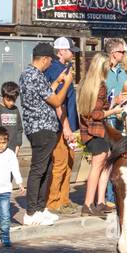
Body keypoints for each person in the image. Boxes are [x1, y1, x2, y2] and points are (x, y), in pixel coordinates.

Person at [19, 44, 73, 227]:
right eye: (50, 60)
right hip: (41, 128)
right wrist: (66, 84)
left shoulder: (30, 74)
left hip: (43, 127)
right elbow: (56, 99)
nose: (51, 64)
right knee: (38, 169)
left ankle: (41, 209)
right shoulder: (35, 75)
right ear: (43, 59)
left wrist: (58, 81)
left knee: (47, 168)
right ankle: (31, 211)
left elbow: (45, 92)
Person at [45, 38, 81, 217]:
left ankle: (64, 199)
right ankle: (53, 201)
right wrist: (65, 126)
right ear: (60, 51)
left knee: (69, 161)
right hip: (60, 124)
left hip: (70, 122)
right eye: (69, 50)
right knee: (59, 163)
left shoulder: (65, 68)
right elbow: (58, 101)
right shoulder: (53, 70)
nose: (72, 53)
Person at [78, 54, 115, 217]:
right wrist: (113, 110)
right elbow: (96, 113)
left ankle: (99, 202)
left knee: (105, 163)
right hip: (96, 130)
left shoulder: (86, 84)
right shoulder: (100, 85)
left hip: (90, 131)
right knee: (98, 165)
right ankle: (88, 203)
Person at [0, 82, 23, 154]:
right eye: (9, 100)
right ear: (3, 96)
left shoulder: (15, 110)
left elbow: (19, 129)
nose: (11, 103)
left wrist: (18, 145)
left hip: (12, 150)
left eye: (14, 100)